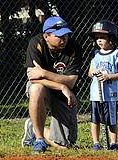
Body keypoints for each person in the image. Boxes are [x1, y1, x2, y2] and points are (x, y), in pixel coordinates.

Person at [22, 16, 82, 154]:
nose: (64, 39)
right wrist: (62, 86)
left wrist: (43, 72)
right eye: (59, 36)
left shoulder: (74, 47)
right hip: (48, 89)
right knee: (36, 88)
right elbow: (33, 78)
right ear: (46, 36)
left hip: (64, 96)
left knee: (64, 146)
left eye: (66, 34)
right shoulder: (36, 43)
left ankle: (35, 127)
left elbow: (71, 81)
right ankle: (39, 139)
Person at [88, 20, 118, 151]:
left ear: (111, 38)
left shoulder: (117, 54)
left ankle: (113, 143)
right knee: (95, 119)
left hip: (110, 94)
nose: (99, 40)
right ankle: (96, 142)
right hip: (96, 94)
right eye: (97, 38)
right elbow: (89, 72)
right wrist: (93, 72)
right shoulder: (95, 54)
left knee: (112, 120)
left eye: (102, 37)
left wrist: (108, 76)